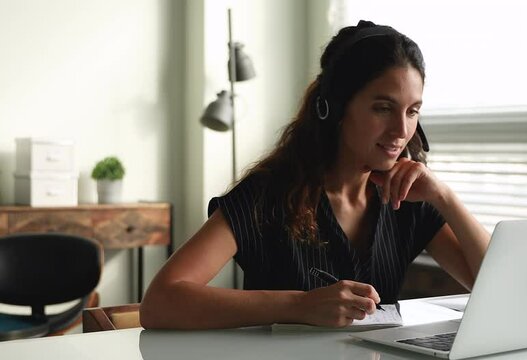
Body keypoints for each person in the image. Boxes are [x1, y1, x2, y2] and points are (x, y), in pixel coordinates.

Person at [140, 20, 490, 330]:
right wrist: (299, 306)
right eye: (383, 108)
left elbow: (496, 285)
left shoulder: (409, 197)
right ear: (334, 108)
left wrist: (445, 197)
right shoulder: (269, 194)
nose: (402, 130)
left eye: (413, 111)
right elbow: (160, 303)